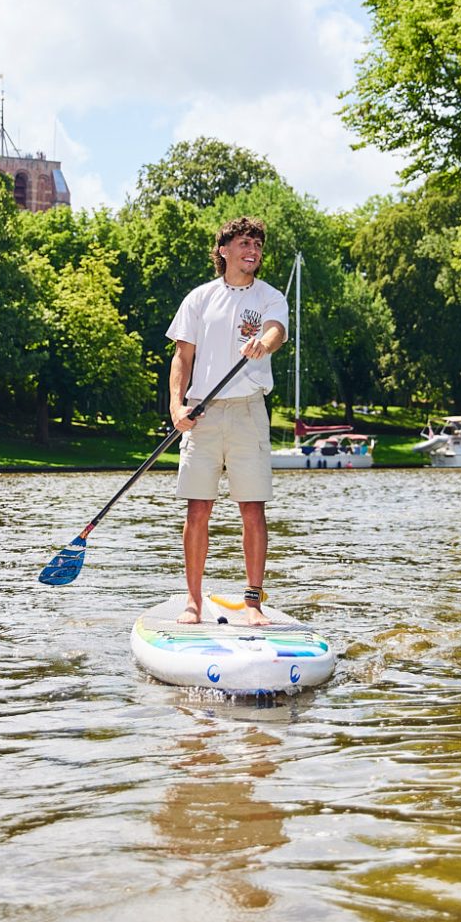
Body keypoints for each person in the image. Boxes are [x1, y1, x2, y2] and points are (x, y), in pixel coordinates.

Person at [166, 215, 289, 625]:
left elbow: (276, 332)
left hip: (248, 411)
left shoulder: (270, 296)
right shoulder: (199, 298)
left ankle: (252, 602)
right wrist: (176, 406)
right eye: (244, 244)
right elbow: (182, 356)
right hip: (202, 412)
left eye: (257, 245)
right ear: (224, 250)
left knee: (252, 508)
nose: (252, 251)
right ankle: (193, 601)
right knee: (197, 508)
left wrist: (263, 344)